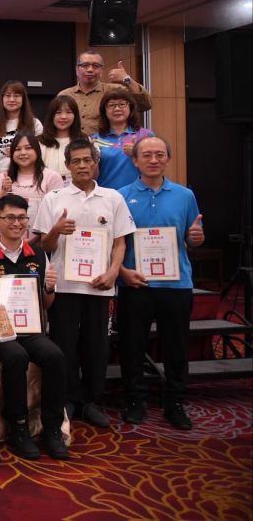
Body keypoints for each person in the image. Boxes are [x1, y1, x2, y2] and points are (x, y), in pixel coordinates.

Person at [33, 138, 135, 428]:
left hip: (100, 286)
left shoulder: (113, 198)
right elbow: (44, 245)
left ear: (96, 164)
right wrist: (56, 229)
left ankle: (90, 400)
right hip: (64, 286)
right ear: (67, 165)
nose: (82, 165)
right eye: (75, 161)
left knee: (97, 346)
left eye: (87, 160)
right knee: (64, 344)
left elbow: (120, 242)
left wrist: (114, 272)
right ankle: (68, 397)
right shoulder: (54, 199)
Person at [0, 194, 69, 460]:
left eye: (22, 218)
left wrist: (49, 288)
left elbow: (46, 303)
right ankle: (18, 428)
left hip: (30, 329)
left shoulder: (38, 255)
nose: (17, 223)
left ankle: (52, 428)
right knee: (15, 356)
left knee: (55, 356)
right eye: (10, 217)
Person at [117, 136, 204, 430]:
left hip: (176, 284)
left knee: (176, 346)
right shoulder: (121, 196)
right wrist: (122, 272)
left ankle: (175, 402)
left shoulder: (185, 195)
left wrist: (196, 238)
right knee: (132, 345)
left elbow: (193, 235)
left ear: (167, 158)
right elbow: (114, 243)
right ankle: (135, 400)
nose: (153, 160)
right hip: (135, 283)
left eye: (159, 154)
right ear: (135, 161)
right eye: (146, 155)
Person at [57, 52, 151, 136]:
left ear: (101, 71)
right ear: (77, 69)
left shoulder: (115, 90)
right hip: (72, 146)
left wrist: (127, 79)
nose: (90, 69)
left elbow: (145, 105)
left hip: (106, 145)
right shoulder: (65, 95)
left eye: (95, 66)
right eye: (85, 65)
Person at [0, 132, 65, 225]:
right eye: (18, 149)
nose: (23, 153)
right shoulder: (4, 177)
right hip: (11, 232)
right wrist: (3, 191)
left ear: (37, 151)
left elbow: (58, 213)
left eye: (28, 148)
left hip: (43, 232)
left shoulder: (52, 177)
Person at [92, 90, 155, 191]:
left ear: (130, 107)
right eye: (111, 105)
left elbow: (156, 166)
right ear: (104, 110)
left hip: (139, 193)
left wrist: (137, 153)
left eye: (122, 104)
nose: (117, 108)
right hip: (107, 194)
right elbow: (91, 175)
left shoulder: (146, 135)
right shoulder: (95, 139)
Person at [0, 80, 43, 179]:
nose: (12, 99)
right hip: (1, 180)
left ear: (23, 99)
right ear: (2, 99)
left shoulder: (35, 124)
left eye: (16, 96)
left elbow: (41, 152)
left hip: (30, 180)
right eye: (8, 96)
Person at [38, 95, 82, 182]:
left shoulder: (83, 140)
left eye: (69, 112)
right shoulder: (39, 142)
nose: (63, 117)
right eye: (58, 112)